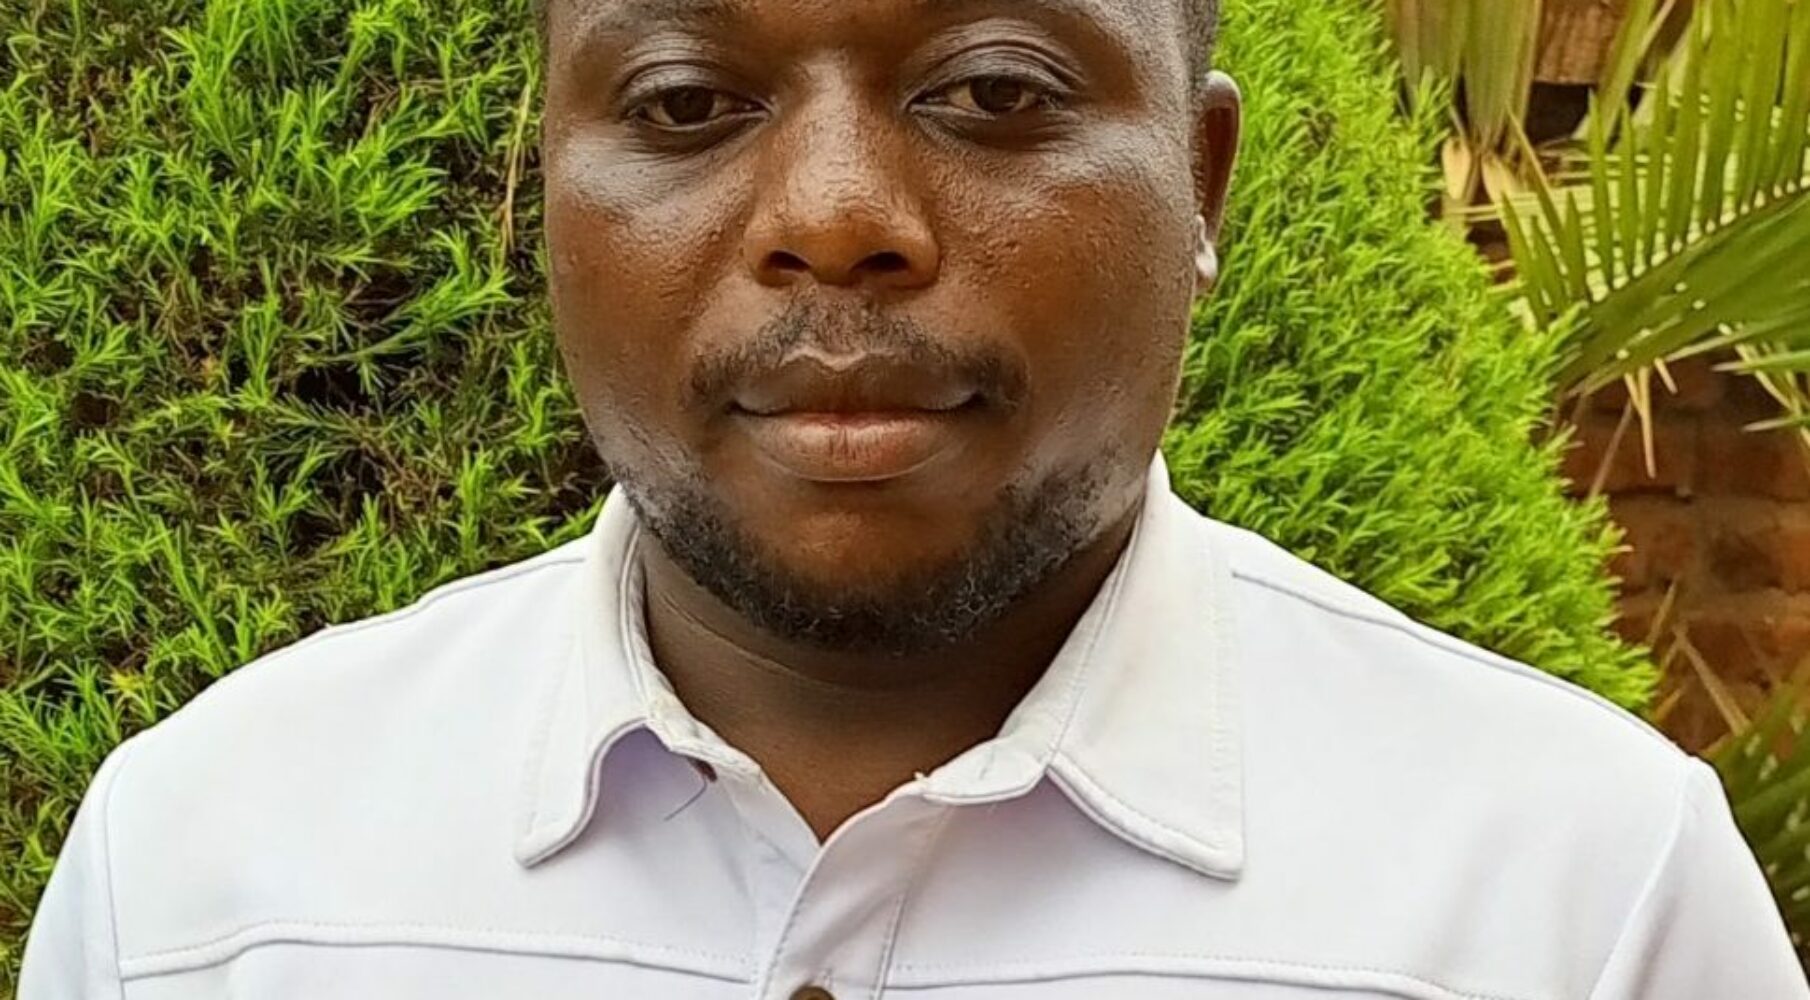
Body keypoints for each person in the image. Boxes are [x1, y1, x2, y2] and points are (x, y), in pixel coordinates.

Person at [21, 0, 1807, 996]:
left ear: (1198, 187)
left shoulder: (1577, 896)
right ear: (548, 179)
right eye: (687, 100)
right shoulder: (211, 869)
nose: (834, 215)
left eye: (992, 91)